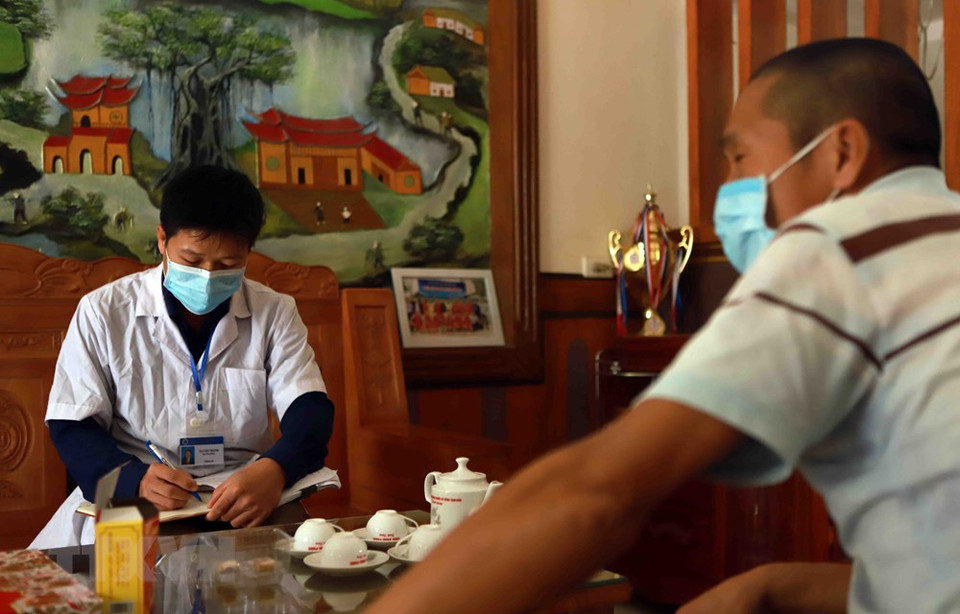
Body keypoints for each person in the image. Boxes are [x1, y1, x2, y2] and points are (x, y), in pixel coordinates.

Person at [366, 38, 956, 614]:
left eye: (741, 158)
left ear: (842, 152)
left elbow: (595, 493)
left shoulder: (834, 248)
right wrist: (770, 586)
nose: (730, 187)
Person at [29, 165, 335, 549]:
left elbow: (309, 408)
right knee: (119, 598)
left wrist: (275, 470)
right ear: (162, 239)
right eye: (191, 261)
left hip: (244, 490)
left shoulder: (275, 311)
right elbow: (72, 425)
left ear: (248, 252)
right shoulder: (103, 311)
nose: (208, 276)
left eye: (226, 265)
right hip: (138, 491)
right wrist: (132, 479)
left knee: (283, 584)